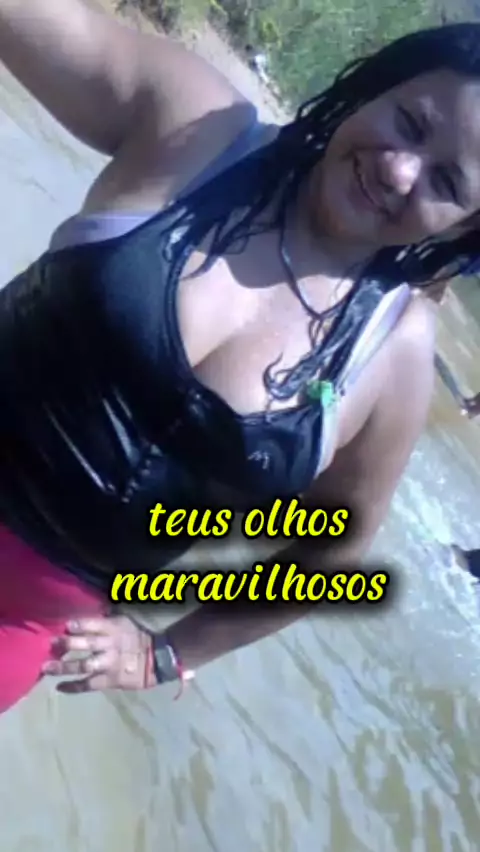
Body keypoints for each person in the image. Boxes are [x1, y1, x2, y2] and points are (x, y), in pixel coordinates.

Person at [1, 6, 480, 712]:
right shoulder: (196, 130)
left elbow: (331, 552)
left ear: (468, 228)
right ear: (377, 87)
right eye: (408, 123)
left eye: (447, 184)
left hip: (25, 624)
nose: (400, 171)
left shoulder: (393, 358)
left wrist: (168, 653)